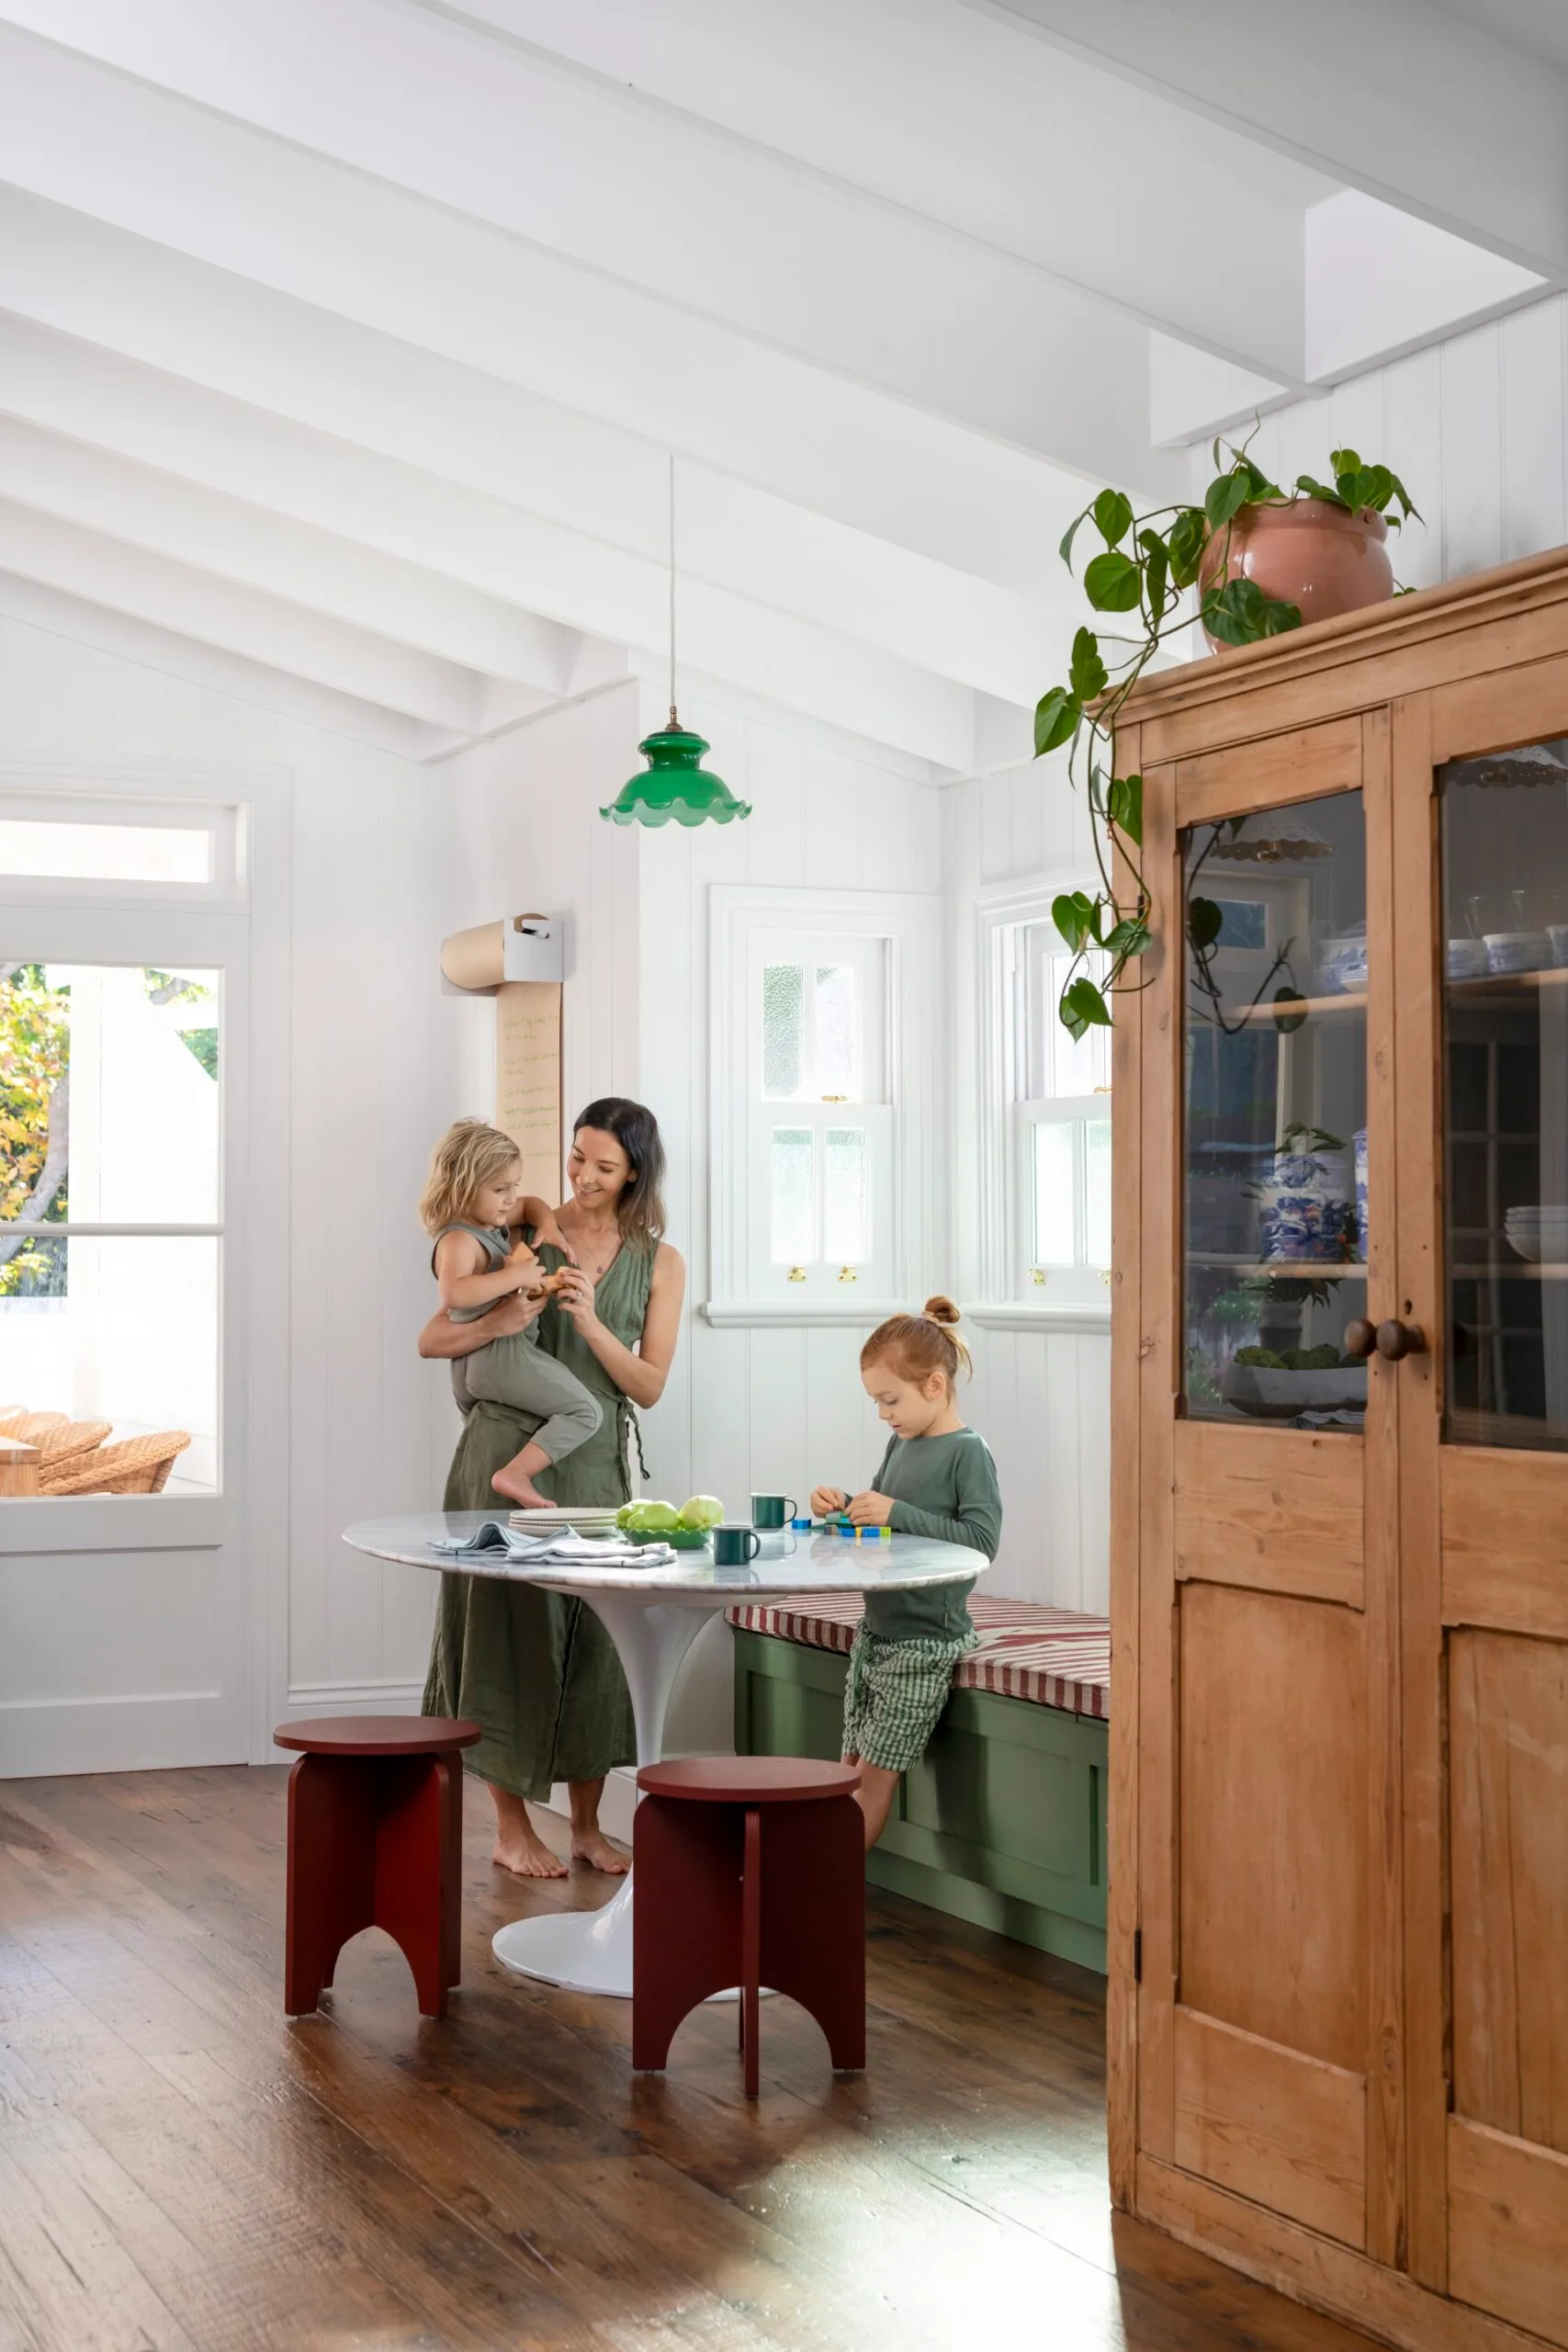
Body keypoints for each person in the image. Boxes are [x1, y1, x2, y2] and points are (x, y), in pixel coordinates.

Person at [420, 1099, 686, 1880]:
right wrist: (498, 1324)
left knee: (596, 1642)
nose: (585, 1176)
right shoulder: (520, 1224)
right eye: (577, 1158)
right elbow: (439, 1331)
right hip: (507, 1448)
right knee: (509, 1636)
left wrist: (594, 1322)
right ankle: (510, 1828)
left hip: (597, 1458)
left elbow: (648, 1385)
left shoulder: (661, 1262)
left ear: (635, 1170)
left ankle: (585, 1825)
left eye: (604, 1166)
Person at [809, 1297, 1000, 1850]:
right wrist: (844, 1505)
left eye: (890, 1399)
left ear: (935, 1386)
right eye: (876, 1401)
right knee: (846, 1768)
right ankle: (816, 1873)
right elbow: (884, 1522)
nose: (883, 1414)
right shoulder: (901, 1443)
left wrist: (895, 1513)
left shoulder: (968, 1454)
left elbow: (982, 1543)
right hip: (878, 1633)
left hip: (926, 1641)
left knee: (871, 1781)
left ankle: (832, 1888)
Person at [420, 1117, 603, 1510]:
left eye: (513, 1186)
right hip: (500, 1358)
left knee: (485, 1436)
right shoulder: (458, 1239)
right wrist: (515, 1275)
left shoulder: (489, 1218)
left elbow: (533, 1205)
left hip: (472, 1370)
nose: (510, 1198)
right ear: (463, 1189)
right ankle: (515, 1475)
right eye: (500, 1189)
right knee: (585, 1411)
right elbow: (455, 1292)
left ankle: (504, 1476)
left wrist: (547, 1226)